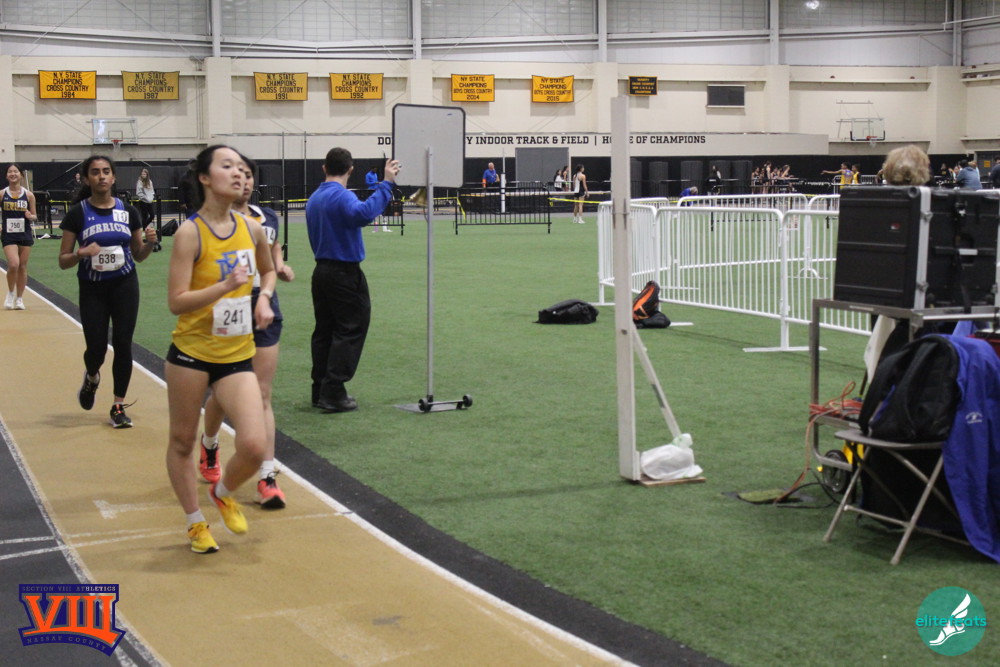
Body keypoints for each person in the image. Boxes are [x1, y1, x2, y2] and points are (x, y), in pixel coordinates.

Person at [164, 145, 276, 554]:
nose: (238, 173)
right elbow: (176, 301)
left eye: (242, 168)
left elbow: (267, 269)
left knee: (254, 445)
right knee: (182, 441)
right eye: (227, 166)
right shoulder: (189, 233)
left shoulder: (253, 228)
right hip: (191, 354)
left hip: (236, 354)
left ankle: (223, 493)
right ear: (205, 178)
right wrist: (225, 287)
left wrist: (264, 298)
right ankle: (195, 522)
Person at [199, 154, 294, 510]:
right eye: (237, 172)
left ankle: (267, 478)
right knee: (224, 393)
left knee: (262, 392)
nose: (244, 180)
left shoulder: (267, 218)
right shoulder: (214, 222)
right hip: (228, 306)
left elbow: (272, 249)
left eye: (249, 175)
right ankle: (210, 444)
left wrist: (278, 269)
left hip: (264, 306)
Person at [58, 155, 157, 427]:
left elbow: (138, 255)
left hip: (124, 285)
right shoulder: (78, 213)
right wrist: (80, 254)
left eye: (105, 171)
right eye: (95, 172)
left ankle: (117, 406)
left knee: (123, 343)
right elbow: (63, 260)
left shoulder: (129, 212)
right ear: (87, 179)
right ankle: (92, 377)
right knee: (97, 348)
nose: (101, 176)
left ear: (113, 178)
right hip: (93, 289)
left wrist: (150, 243)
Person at [306, 148, 399, 413]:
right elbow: (364, 214)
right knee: (351, 328)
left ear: (324, 168)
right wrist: (386, 184)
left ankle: (320, 389)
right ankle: (334, 391)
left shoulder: (314, 198)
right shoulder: (342, 196)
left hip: (321, 271)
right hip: (344, 272)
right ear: (351, 169)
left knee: (324, 331)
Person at [2, 164, 37, 310]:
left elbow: (35, 216)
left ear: (21, 175)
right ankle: (10, 293)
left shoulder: (29, 195)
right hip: (8, 234)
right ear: (6, 176)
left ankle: (20, 299)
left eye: (15, 171)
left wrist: (30, 216)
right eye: (10, 172)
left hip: (24, 233)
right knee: (13, 264)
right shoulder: (2, 194)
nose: (13, 174)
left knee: (22, 266)